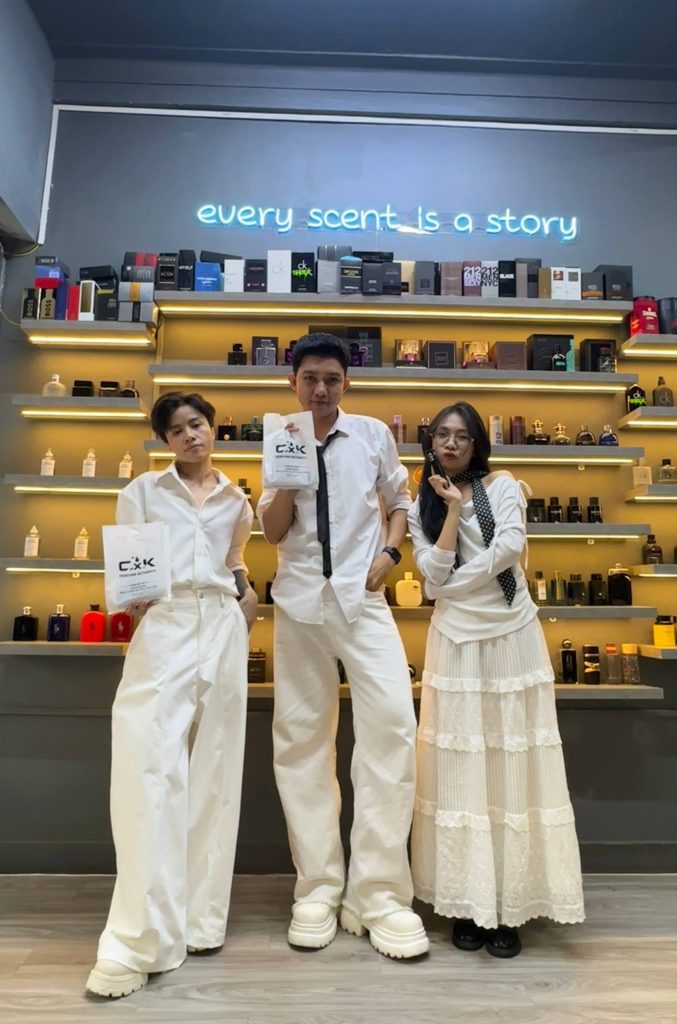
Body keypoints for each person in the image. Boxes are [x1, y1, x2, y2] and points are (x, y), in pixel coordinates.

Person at [257, 332, 428, 960]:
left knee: (393, 727)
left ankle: (379, 894)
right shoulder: (280, 436)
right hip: (300, 602)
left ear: (346, 383)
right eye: (310, 378)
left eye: (331, 378)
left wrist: (390, 552)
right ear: (293, 382)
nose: (321, 389)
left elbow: (400, 503)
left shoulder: (373, 435)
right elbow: (272, 531)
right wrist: (284, 475)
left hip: (365, 599)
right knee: (301, 740)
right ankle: (318, 888)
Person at [86, 392, 258, 998]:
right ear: (165, 440)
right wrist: (133, 597)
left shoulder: (237, 498)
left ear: (213, 429)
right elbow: (130, 566)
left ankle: (199, 920)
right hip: (166, 620)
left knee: (217, 771)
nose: (190, 435)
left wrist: (246, 593)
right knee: (149, 769)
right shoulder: (143, 491)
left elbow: (234, 558)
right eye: (177, 429)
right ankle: (138, 938)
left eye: (198, 424)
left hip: (223, 623)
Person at [408, 401, 584, 958]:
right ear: (430, 442)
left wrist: (449, 585)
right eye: (442, 435)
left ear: (477, 443)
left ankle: (510, 905)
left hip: (512, 634)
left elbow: (508, 549)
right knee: (461, 772)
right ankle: (467, 902)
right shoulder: (420, 504)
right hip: (455, 642)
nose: (451, 444)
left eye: (461, 436)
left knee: (512, 767)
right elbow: (429, 574)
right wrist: (453, 512)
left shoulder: (504, 485)